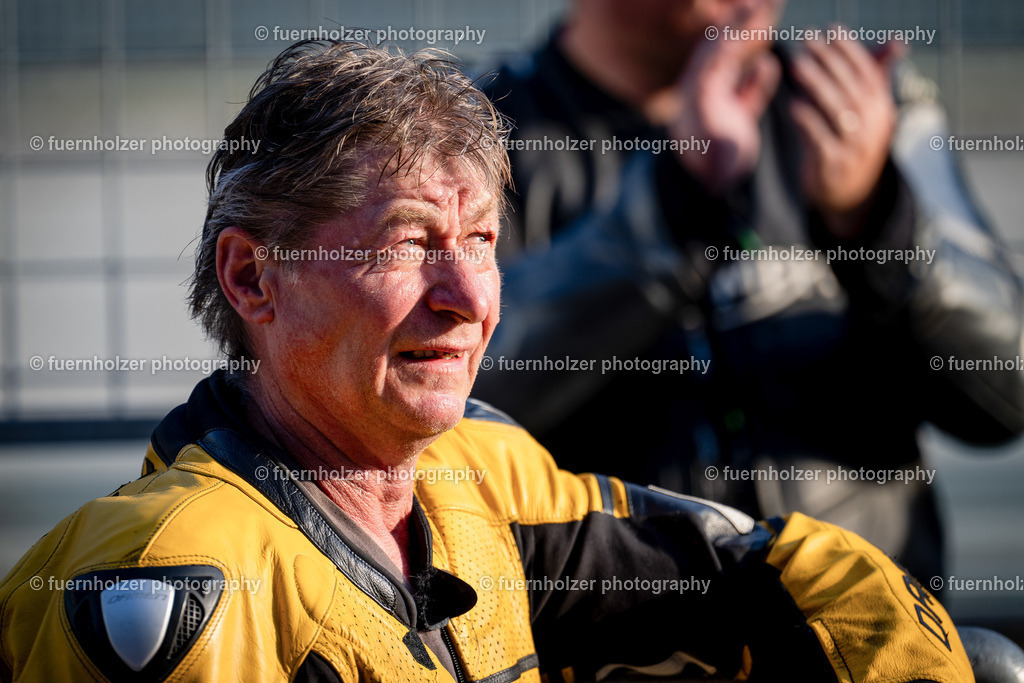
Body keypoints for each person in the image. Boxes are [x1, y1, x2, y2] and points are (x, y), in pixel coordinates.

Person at [0, 41, 976, 682]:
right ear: (254, 276)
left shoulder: (478, 470)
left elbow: (755, 567)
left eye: (479, 240)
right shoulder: (173, 584)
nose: (469, 299)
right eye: (407, 242)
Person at [471, 0, 1024, 584]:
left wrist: (877, 220)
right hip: (596, 632)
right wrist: (673, 209)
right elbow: (445, 404)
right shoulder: (467, 132)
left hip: (865, 628)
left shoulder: (861, 102)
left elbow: (1007, 392)